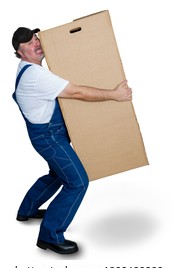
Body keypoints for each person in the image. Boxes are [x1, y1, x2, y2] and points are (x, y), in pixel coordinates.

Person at [12, 27, 132, 255]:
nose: (36, 43)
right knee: (77, 182)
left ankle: (26, 210)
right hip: (49, 138)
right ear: (20, 53)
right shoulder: (36, 76)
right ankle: (50, 235)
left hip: (46, 134)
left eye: (35, 38)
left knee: (57, 174)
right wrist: (114, 95)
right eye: (29, 43)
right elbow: (77, 93)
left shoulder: (26, 69)